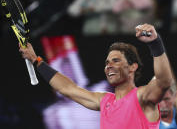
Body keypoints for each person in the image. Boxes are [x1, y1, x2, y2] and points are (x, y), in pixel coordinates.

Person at [19, 23, 173, 129]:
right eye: (107, 63)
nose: (109, 66)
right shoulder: (104, 101)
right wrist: (36, 60)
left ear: (132, 67)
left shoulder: (143, 96)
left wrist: (155, 43)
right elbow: (68, 88)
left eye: (116, 61)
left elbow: (164, 81)